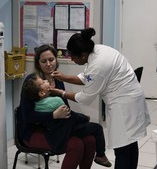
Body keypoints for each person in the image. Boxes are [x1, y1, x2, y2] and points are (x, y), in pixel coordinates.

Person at [50, 28, 151, 169]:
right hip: (132, 98)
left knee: (122, 149)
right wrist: (64, 77)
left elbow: (84, 98)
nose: (71, 59)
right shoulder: (99, 50)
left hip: (123, 105)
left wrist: (61, 93)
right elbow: (87, 77)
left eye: (73, 56)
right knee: (130, 143)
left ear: (83, 55)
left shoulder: (98, 64)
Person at [19, 44, 111, 169]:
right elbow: (28, 116)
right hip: (35, 131)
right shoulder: (32, 82)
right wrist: (53, 115)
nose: (48, 64)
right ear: (38, 63)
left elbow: (65, 109)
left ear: (56, 60)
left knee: (90, 140)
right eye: (43, 61)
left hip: (57, 127)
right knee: (77, 144)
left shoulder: (58, 79)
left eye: (51, 60)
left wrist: (70, 118)